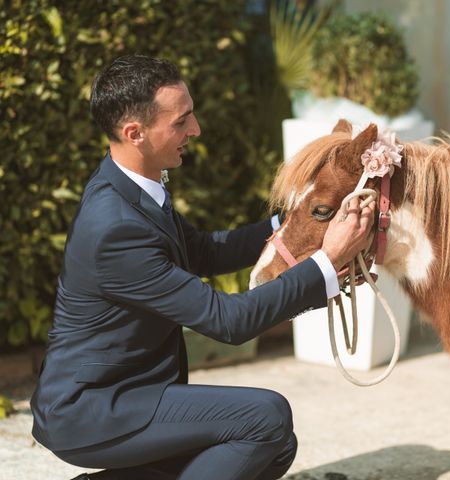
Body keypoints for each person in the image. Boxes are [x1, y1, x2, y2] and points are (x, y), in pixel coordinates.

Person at [30, 54, 374, 480]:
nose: (195, 130)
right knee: (266, 418)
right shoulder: (115, 228)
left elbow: (204, 252)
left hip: (128, 393)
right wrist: (326, 262)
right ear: (134, 133)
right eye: (181, 121)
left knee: (277, 446)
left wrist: (299, 220)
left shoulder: (133, 188)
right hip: (93, 408)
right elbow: (227, 321)